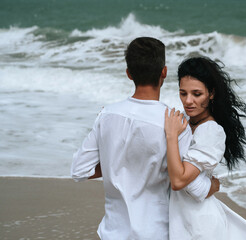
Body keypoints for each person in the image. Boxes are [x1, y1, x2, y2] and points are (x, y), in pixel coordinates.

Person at [71, 37, 219, 240]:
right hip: (155, 232)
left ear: (129, 74)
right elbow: (192, 186)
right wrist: (215, 185)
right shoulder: (175, 123)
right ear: (164, 72)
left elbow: (79, 170)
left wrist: (120, 162)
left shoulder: (106, 115)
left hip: (111, 232)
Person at [164, 57, 246, 240]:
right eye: (183, 93)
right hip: (177, 220)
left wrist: (171, 136)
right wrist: (209, 186)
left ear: (211, 93)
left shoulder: (211, 131)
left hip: (201, 225)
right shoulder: (181, 122)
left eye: (197, 94)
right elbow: (189, 184)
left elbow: (178, 181)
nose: (188, 101)